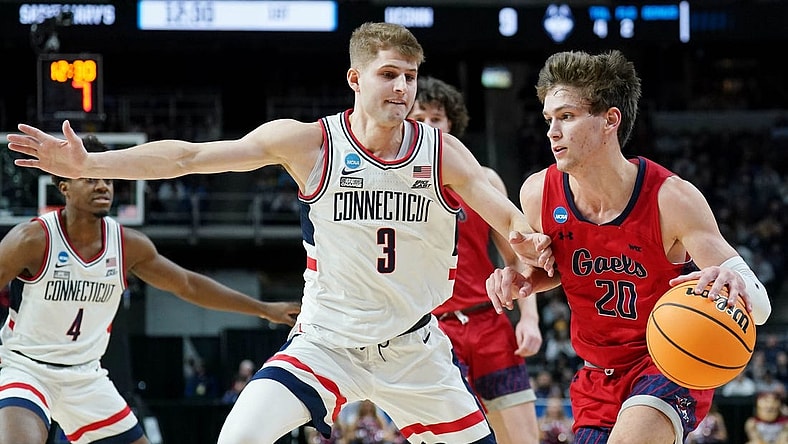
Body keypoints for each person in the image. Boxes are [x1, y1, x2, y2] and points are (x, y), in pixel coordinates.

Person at [7, 22, 554, 443]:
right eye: (389, 74)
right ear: (356, 79)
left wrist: (524, 237)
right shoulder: (310, 143)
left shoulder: (442, 151)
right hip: (325, 342)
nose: (403, 88)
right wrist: (91, 166)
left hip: (413, 346)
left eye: (410, 77)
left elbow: (499, 210)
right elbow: (189, 157)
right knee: (239, 436)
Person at [485, 49, 772, 444]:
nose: (552, 131)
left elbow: (761, 307)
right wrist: (522, 279)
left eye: (566, 117)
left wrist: (730, 282)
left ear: (609, 120)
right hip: (596, 373)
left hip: (669, 359)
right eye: (549, 119)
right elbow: (552, 270)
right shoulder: (538, 192)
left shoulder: (671, 198)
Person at [0, 134, 301, 444]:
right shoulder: (32, 240)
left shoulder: (127, 245)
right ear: (64, 187)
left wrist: (264, 308)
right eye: (90, 179)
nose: (103, 186)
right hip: (27, 368)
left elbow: (187, 284)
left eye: (108, 178)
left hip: (86, 376)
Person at [408, 75, 541, 444]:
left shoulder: (483, 180)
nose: (427, 126)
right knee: (452, 438)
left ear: (450, 124)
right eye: (418, 118)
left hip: (490, 322)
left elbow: (517, 257)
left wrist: (529, 319)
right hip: (433, 329)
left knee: (523, 438)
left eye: (436, 118)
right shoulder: (391, 185)